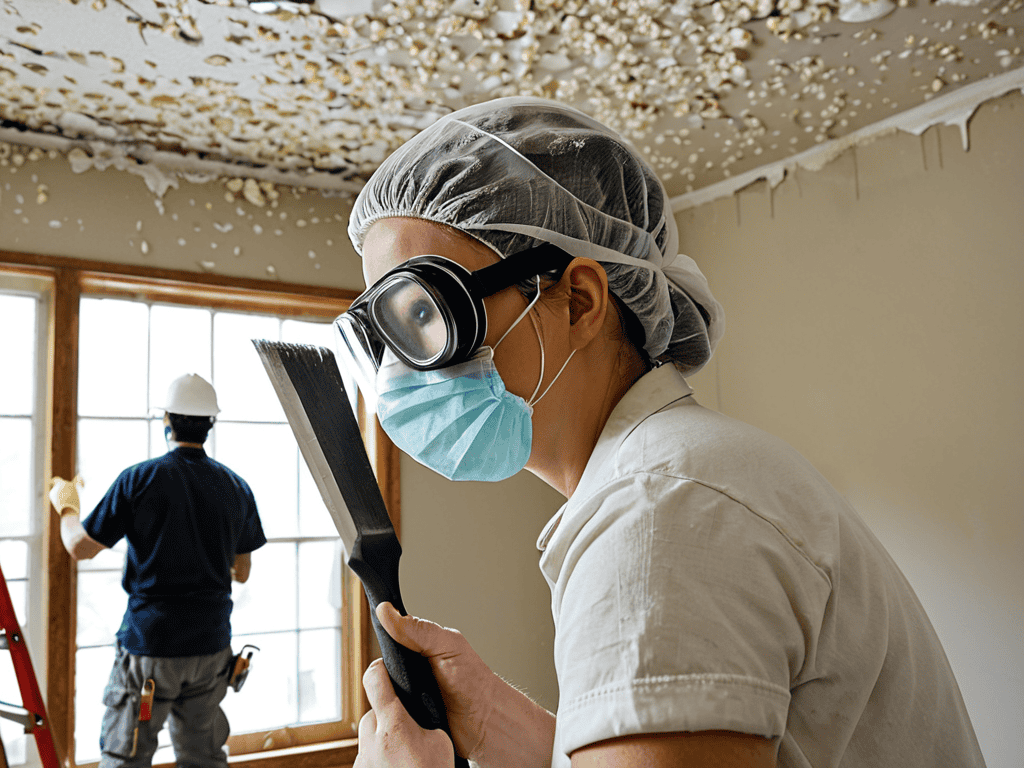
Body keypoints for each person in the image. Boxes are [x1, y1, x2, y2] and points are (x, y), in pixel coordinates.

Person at [335, 97, 986, 768]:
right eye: (381, 332)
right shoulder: (678, 476)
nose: (400, 369)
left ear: (581, 302)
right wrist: (499, 720)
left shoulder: (660, 512)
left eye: (424, 310)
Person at [49, 373, 266, 768]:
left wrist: (67, 505)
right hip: (209, 655)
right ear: (210, 424)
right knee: (202, 757)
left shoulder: (139, 479)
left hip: (153, 659)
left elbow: (80, 547)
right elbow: (243, 572)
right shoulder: (236, 487)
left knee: (130, 752)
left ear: (167, 419)